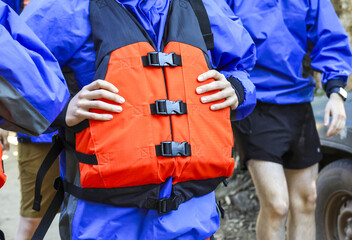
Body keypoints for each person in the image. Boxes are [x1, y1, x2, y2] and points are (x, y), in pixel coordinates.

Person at [21, 0, 257, 239]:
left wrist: (237, 88)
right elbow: (11, 72)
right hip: (104, 222)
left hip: (192, 216)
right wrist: (60, 108)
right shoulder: (66, 8)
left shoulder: (203, 7)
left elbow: (243, 68)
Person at [225, 0, 352, 239]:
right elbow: (216, 35)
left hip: (297, 102)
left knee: (307, 200)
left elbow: (330, 37)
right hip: (254, 103)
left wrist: (336, 93)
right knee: (277, 204)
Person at [0, 0, 70, 239]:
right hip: (42, 133)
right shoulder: (47, 9)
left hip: (84, 133)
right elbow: (10, 55)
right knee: (32, 219)